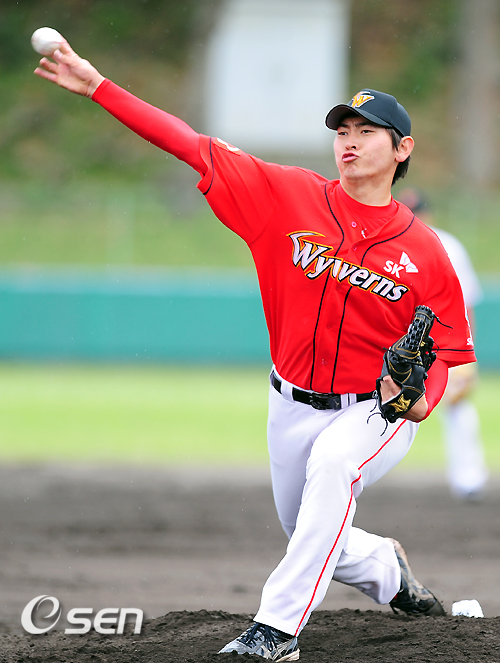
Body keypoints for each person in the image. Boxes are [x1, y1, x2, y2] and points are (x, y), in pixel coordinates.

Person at [35, 43, 476, 661]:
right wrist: (99, 87)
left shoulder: (426, 251)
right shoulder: (286, 195)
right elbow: (190, 145)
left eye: (367, 132)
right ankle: (386, 569)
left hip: (374, 409)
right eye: (342, 131)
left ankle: (276, 631)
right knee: (308, 529)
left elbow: (451, 353)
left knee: (334, 467)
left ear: (402, 149)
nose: (349, 142)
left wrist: (420, 401)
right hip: (290, 399)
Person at [397, 188, 488, 501]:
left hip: (445, 344)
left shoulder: (449, 246)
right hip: (401, 343)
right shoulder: (392, 243)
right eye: (409, 212)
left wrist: (468, 355)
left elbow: (467, 302)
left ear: (428, 213)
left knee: (458, 408)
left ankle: (469, 479)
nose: (414, 218)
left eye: (417, 212)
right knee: (386, 405)